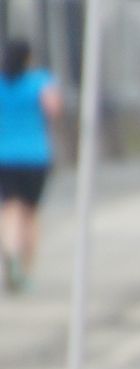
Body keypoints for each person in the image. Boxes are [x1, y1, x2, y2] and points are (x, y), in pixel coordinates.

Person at [0, 39, 62, 293]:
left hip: (4, 155)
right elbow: (53, 109)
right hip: (35, 155)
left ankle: (11, 252)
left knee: (10, 209)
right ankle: (26, 271)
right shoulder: (40, 80)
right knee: (31, 213)